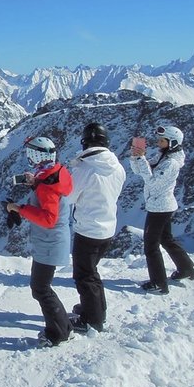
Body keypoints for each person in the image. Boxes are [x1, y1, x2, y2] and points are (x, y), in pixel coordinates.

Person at [5, 136, 74, 347]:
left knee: (40, 288)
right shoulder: (57, 172)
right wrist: (36, 183)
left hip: (49, 242)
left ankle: (58, 333)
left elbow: (48, 218)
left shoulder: (47, 185)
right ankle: (64, 327)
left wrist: (20, 209)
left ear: (36, 155)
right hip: (53, 240)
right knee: (42, 286)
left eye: (30, 154)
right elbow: (51, 193)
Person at [64, 122, 126, 333]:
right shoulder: (118, 166)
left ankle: (92, 320)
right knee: (92, 272)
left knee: (84, 275)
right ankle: (97, 309)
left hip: (88, 229)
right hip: (108, 228)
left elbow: (70, 196)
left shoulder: (85, 168)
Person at [129, 124, 194, 294]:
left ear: (173, 142)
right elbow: (140, 172)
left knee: (151, 246)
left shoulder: (171, 164)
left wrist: (143, 160)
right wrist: (136, 157)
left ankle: (159, 283)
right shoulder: (163, 157)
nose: (158, 143)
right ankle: (186, 268)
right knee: (166, 239)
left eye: (162, 140)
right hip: (161, 205)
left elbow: (152, 182)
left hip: (159, 207)